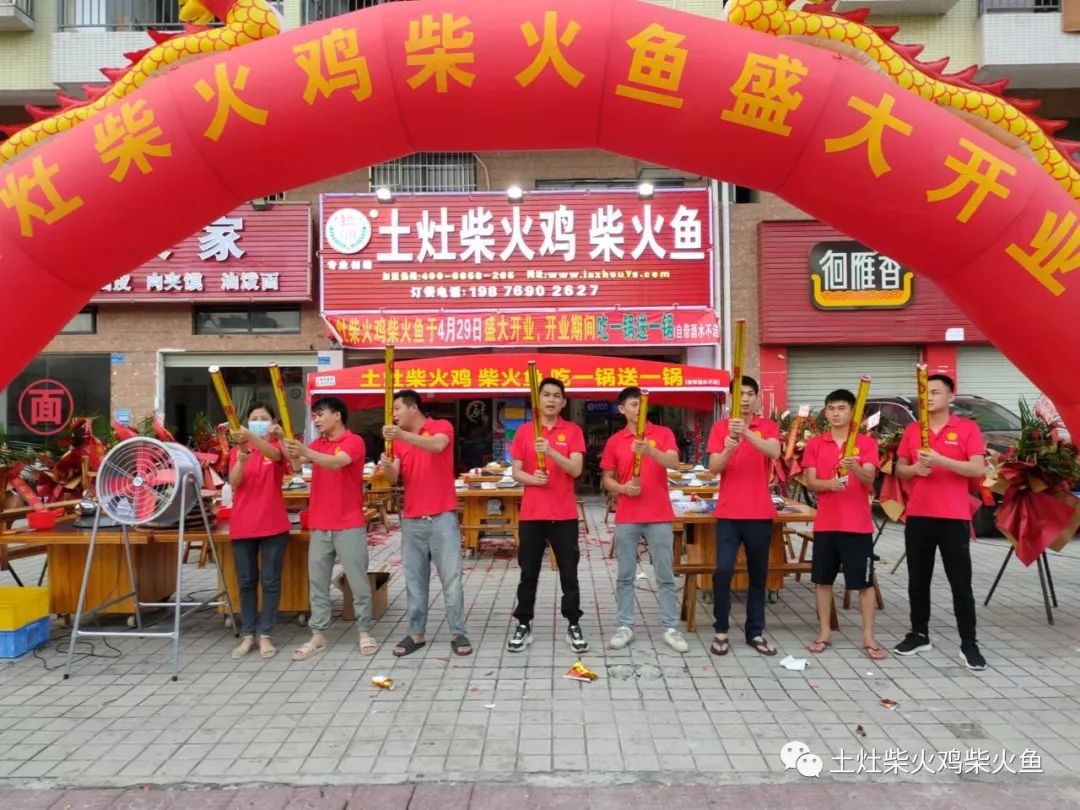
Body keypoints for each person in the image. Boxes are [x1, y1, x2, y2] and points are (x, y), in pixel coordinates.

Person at [893, 374, 988, 670]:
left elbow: (977, 468)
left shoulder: (967, 428)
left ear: (950, 397)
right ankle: (919, 634)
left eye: (935, 392)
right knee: (918, 580)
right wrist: (914, 470)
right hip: (919, 515)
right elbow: (899, 468)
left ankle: (969, 643)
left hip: (953, 517)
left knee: (960, 582)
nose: (929, 398)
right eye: (925, 393)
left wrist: (940, 460)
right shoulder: (913, 430)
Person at [380, 389, 472, 658]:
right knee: (414, 580)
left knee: (451, 579)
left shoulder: (441, 426)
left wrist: (402, 436)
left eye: (397, 408)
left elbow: (437, 445)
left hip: (442, 517)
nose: (394, 415)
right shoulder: (397, 442)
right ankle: (416, 633)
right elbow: (393, 477)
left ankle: (458, 632)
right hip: (412, 519)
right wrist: (387, 464)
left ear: (413, 408)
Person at [283, 396, 376, 661]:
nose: (316, 419)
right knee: (318, 582)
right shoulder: (318, 444)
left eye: (320, 414)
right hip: (320, 523)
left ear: (337, 415)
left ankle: (364, 630)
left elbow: (336, 462)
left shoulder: (353, 441)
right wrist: (289, 448)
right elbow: (298, 466)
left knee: (357, 580)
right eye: (314, 415)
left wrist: (305, 451)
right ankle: (318, 634)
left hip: (348, 524)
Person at [600, 387, 689, 653]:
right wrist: (622, 489)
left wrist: (651, 451)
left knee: (665, 574)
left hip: (659, 515)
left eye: (641, 404)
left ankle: (670, 628)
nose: (638, 409)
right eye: (632, 404)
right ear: (622, 409)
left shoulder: (662, 433)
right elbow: (607, 480)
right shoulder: (615, 441)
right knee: (625, 575)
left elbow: (674, 462)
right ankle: (625, 625)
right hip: (628, 516)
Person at [802, 389, 885, 660]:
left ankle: (869, 637)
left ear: (852, 412)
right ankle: (824, 632)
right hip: (826, 525)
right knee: (822, 581)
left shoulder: (865, 443)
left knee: (864, 584)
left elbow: (870, 479)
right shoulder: (816, 444)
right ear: (825, 412)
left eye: (841, 408)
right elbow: (810, 482)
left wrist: (855, 467)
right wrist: (830, 484)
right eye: (831, 408)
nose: (836, 413)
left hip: (858, 526)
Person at [507, 376, 588, 654]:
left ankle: (573, 623)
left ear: (564, 402)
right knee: (528, 571)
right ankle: (523, 623)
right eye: (546, 395)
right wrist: (532, 479)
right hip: (532, 514)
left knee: (569, 572)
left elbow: (575, 470)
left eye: (556, 396)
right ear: (538, 399)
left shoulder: (573, 431)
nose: (551, 400)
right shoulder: (524, 432)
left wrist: (551, 451)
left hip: (564, 514)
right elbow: (516, 471)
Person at [706, 376, 782, 657]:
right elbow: (714, 468)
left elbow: (775, 451)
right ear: (731, 399)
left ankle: (755, 632)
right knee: (723, 572)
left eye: (750, 394)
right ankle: (721, 630)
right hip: (728, 513)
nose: (746, 399)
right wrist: (729, 446)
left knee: (758, 575)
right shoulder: (720, 428)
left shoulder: (767, 426)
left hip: (759, 512)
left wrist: (747, 433)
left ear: (757, 398)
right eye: (740, 394)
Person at [226, 403, 291, 660]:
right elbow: (234, 482)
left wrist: (250, 437)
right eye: (254, 418)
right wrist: (241, 460)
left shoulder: (275, 447)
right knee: (246, 582)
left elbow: (276, 457)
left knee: (271, 581)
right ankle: (247, 635)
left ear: (274, 422)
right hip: (243, 525)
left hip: (273, 524)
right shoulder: (238, 450)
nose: (259, 421)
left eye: (264, 418)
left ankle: (266, 635)